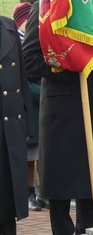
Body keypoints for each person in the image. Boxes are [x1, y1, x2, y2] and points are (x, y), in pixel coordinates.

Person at [23, 3, 93, 235]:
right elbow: (30, 57)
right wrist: (68, 67)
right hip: (62, 113)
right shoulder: (46, 6)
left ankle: (90, 230)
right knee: (61, 187)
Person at [0, 13, 34, 235]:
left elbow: (22, 77)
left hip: (10, 127)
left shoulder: (8, 26)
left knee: (7, 200)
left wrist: (28, 123)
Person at [12, 2, 43, 212]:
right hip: (29, 105)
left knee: (42, 153)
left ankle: (43, 192)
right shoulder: (15, 43)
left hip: (42, 107)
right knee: (29, 156)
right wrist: (42, 93)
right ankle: (29, 193)